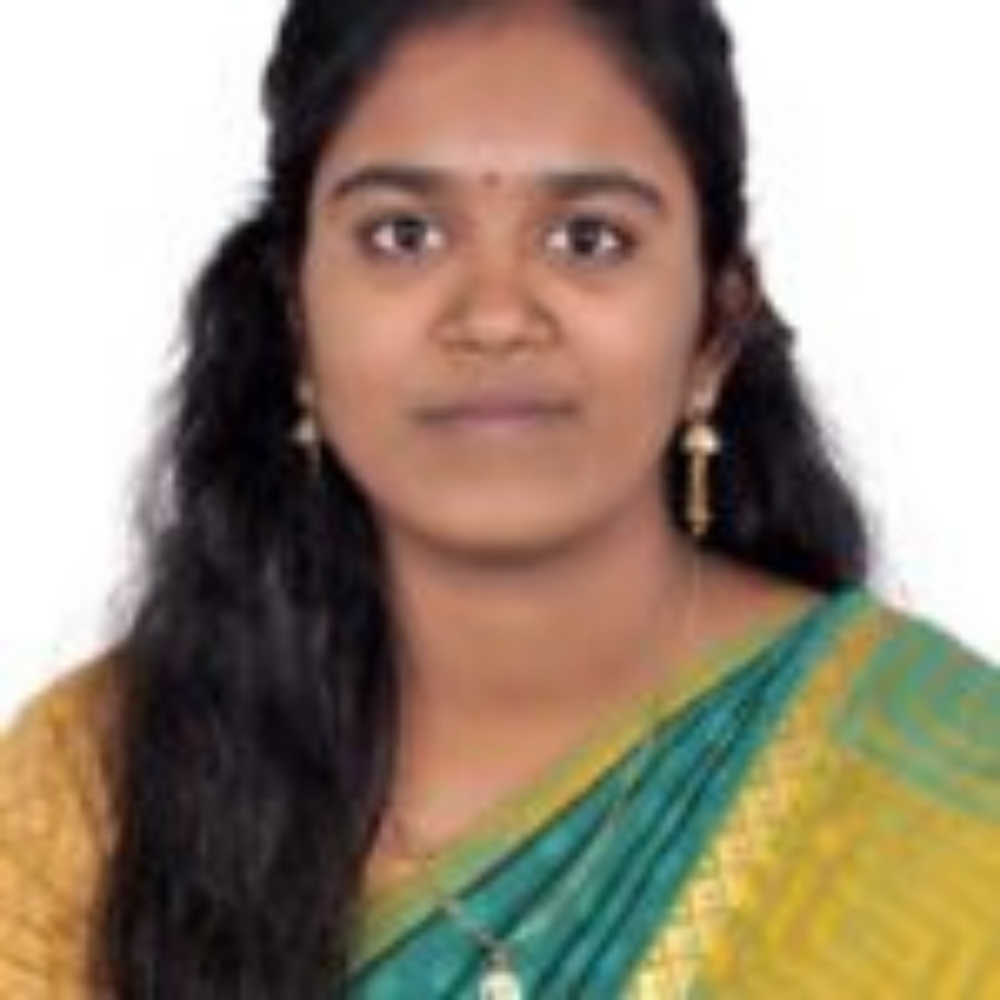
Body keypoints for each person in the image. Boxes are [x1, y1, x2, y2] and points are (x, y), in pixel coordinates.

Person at [1, 0, 998, 996]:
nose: (493, 317)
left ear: (715, 328)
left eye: (589, 239)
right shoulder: (92, 794)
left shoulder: (947, 788)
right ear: (295, 317)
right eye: (403, 235)